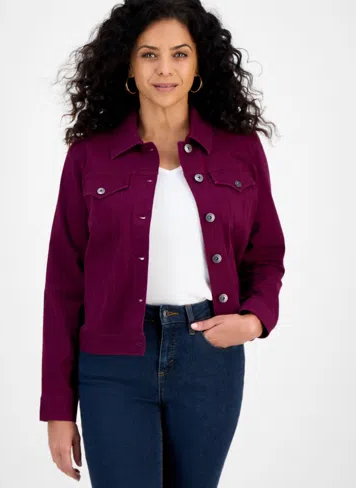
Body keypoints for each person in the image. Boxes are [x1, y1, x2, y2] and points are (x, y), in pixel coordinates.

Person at [39, 1, 286, 486]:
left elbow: (267, 254)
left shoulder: (241, 150)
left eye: (180, 54)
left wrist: (254, 321)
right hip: (113, 363)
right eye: (149, 54)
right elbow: (63, 285)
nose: (165, 69)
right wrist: (58, 408)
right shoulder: (90, 155)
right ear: (129, 66)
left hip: (208, 358)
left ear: (199, 65)